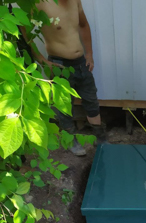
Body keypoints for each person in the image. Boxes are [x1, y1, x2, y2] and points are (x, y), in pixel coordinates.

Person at [34, 0, 105, 156]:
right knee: (64, 106)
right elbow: (23, 29)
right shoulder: (39, 3)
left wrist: (89, 54)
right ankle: (70, 140)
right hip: (59, 65)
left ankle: (99, 136)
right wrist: (41, 59)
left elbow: (84, 25)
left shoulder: (75, 1)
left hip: (81, 63)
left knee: (91, 100)